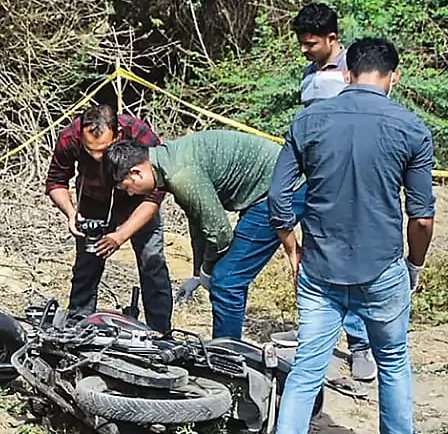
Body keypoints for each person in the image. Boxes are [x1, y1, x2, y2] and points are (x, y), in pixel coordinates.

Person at [257, 37, 435, 434]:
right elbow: (420, 217)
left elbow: (277, 199)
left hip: (319, 267)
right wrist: (413, 266)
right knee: (393, 360)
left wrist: (293, 247)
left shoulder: (309, 120)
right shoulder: (411, 128)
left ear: (349, 73)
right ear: (392, 77)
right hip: (381, 265)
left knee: (306, 373)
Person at [104, 129, 306, 340]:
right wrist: (197, 272)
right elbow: (200, 221)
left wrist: (208, 272)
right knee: (225, 277)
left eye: (126, 187)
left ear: (136, 172)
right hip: (267, 187)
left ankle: (227, 359)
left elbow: (220, 235)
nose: (130, 193)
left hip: (281, 190)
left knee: (226, 281)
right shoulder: (167, 160)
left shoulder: (181, 176)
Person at [291, 2, 375, 382]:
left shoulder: (352, 74)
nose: (305, 49)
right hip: (316, 180)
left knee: (349, 263)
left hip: (349, 181)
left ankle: (361, 345)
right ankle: (315, 332)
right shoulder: (311, 73)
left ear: (332, 39)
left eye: (311, 43)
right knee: (317, 257)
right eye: (302, 43)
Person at [45, 104, 173, 332]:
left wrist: (120, 235)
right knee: (86, 265)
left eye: (103, 151)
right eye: (89, 150)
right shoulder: (69, 137)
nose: (96, 158)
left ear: (119, 135)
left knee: (152, 263)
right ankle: (77, 326)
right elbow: (56, 181)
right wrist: (71, 213)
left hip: (138, 204)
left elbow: (155, 195)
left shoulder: (140, 134)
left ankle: (161, 334)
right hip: (93, 204)